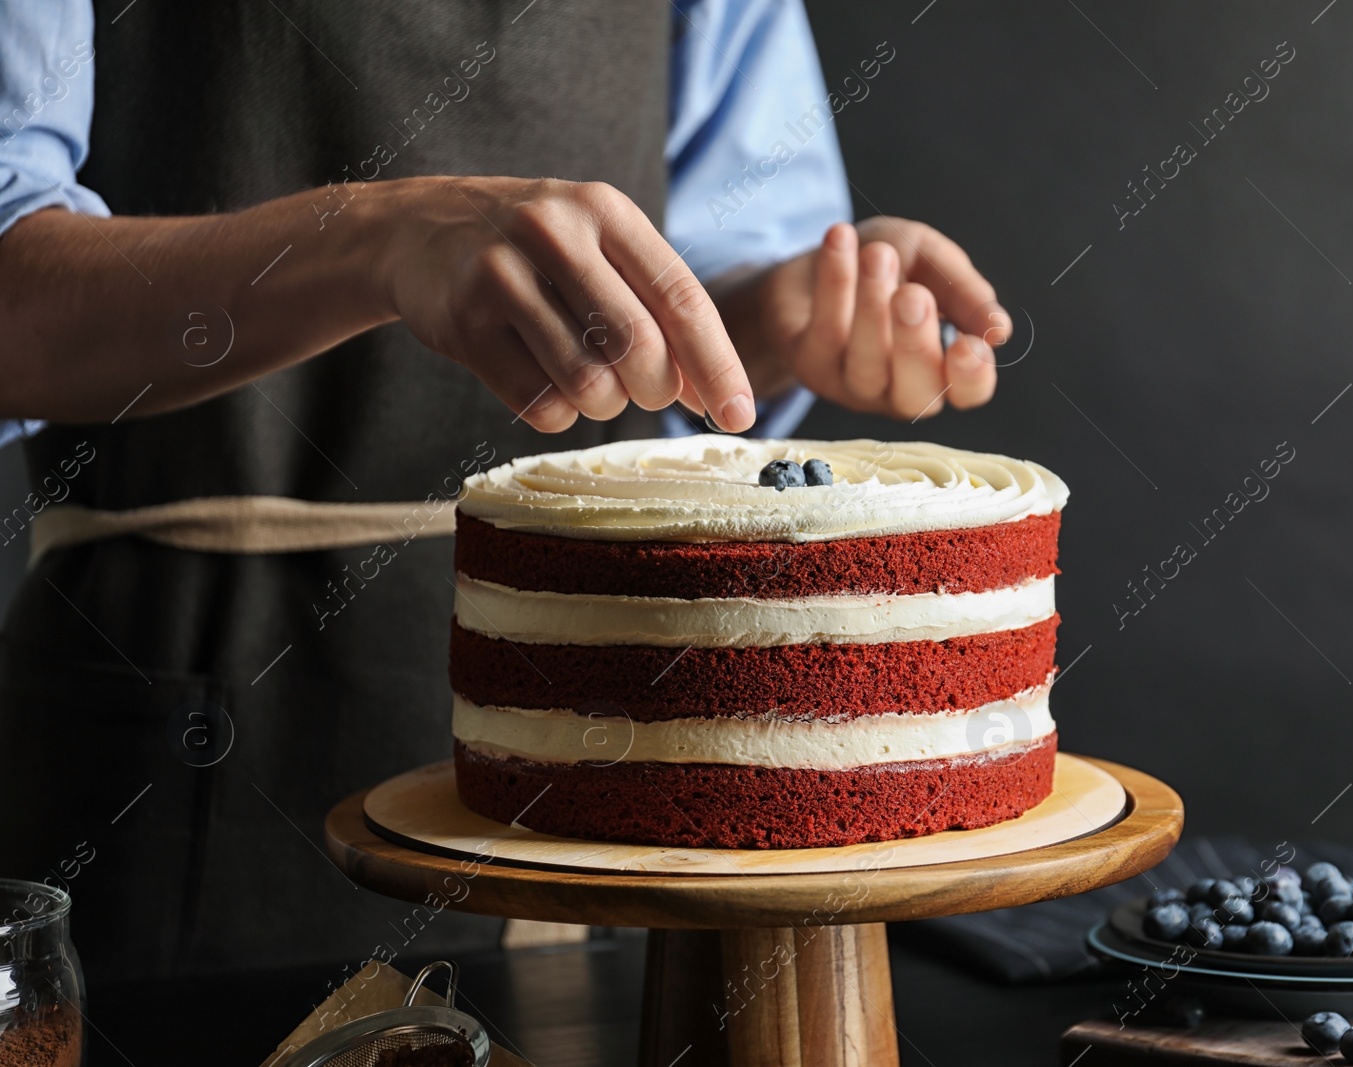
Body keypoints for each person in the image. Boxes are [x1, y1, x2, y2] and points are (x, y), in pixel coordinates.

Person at [0, 0, 1012, 986]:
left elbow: (678, 323)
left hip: (607, 769)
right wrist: (373, 236)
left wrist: (782, 322)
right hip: (176, 748)